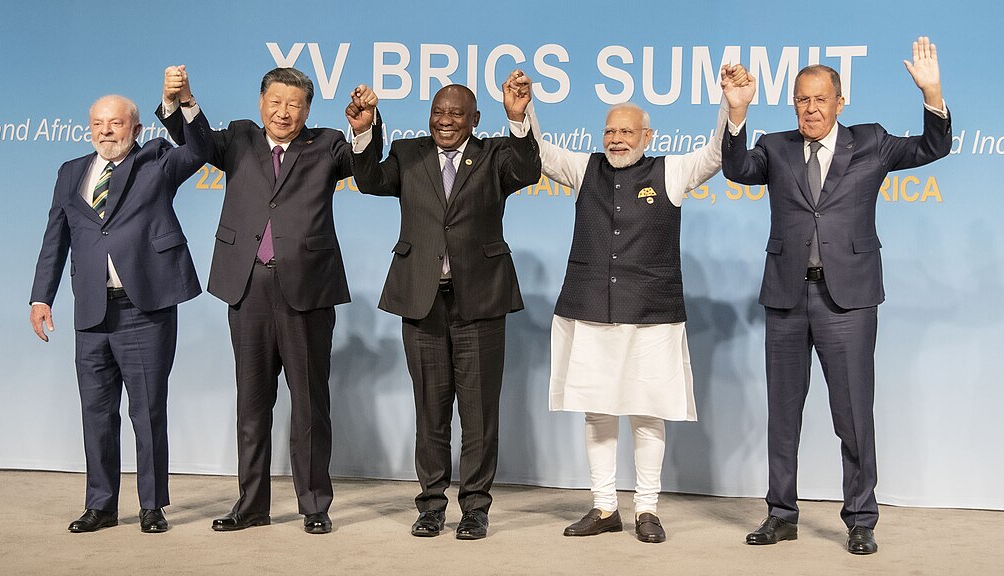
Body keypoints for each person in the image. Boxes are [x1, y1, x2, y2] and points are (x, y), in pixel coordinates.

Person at [721, 37, 950, 555]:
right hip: (786, 297)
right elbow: (737, 170)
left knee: (852, 415)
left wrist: (932, 94)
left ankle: (861, 519)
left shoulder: (871, 142)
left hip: (848, 300)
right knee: (783, 414)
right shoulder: (775, 147)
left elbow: (932, 147)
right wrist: (736, 114)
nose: (811, 108)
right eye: (802, 100)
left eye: (820, 99)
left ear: (840, 102)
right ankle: (781, 514)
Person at [520, 65, 748, 543]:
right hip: (590, 311)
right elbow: (536, 152)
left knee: (648, 413)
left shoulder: (672, 171)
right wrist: (523, 113)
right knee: (597, 413)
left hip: (651, 316)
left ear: (648, 136)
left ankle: (647, 510)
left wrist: (732, 108)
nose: (616, 139)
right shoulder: (583, 168)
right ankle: (604, 507)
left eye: (626, 131)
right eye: (610, 131)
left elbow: (715, 153)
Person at [156, 67, 354, 534]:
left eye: (295, 105)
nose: (284, 112)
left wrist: (364, 128)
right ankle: (251, 505)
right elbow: (195, 142)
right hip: (247, 286)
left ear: (308, 110)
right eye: (276, 102)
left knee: (309, 404)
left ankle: (314, 505)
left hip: (307, 288)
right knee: (252, 403)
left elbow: (364, 165)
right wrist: (183, 101)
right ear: (261, 101)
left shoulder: (326, 144)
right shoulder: (240, 138)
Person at [344, 72, 541, 540]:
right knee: (430, 411)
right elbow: (369, 180)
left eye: (456, 113)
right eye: (438, 111)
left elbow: (527, 171)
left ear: (475, 119)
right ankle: (431, 505)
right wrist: (365, 130)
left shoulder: (494, 154)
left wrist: (519, 119)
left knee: (478, 415)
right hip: (422, 300)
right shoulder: (407, 153)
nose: (445, 120)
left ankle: (475, 508)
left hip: (481, 301)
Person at [29, 67, 211, 533]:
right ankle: (101, 505)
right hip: (91, 310)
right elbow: (55, 239)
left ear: (136, 128)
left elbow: (200, 149)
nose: (106, 131)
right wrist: (41, 297)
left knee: (147, 411)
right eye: (98, 124)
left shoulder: (157, 160)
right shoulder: (71, 172)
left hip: (143, 308)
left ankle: (151, 506)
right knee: (96, 413)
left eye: (116, 123)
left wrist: (184, 102)